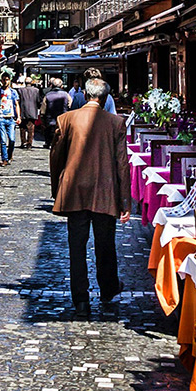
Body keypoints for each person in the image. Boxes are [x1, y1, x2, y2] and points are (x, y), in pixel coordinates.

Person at [49, 77, 131, 317]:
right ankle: (107, 289)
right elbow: (122, 164)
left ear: (84, 95)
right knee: (105, 245)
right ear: (105, 98)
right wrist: (125, 201)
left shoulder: (67, 120)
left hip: (75, 191)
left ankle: (81, 299)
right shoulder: (116, 123)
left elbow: (56, 158)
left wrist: (58, 191)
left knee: (76, 247)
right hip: (105, 191)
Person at [0, 71, 20, 166]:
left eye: (7, 79)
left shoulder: (13, 92)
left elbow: (16, 105)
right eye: (4, 80)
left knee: (12, 139)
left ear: (9, 81)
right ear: (1, 81)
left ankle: (10, 154)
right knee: (3, 140)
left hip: (11, 118)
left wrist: (18, 116)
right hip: (1, 118)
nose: (5, 81)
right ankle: (4, 159)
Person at [39, 77, 71, 148]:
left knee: (50, 133)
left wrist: (43, 119)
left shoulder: (47, 95)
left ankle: (49, 143)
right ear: (61, 86)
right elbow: (70, 105)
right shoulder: (66, 95)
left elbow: (43, 110)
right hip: (63, 119)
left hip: (50, 119)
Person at [17, 76, 43, 149]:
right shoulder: (36, 91)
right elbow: (38, 101)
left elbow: (18, 101)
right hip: (32, 111)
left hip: (23, 111)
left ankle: (23, 142)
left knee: (22, 128)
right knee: (31, 129)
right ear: (31, 83)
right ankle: (29, 143)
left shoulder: (20, 90)